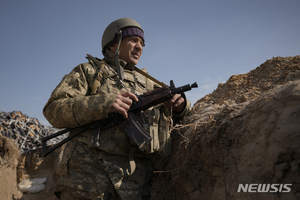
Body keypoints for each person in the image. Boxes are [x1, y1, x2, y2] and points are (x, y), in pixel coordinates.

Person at [43, 18, 191, 200]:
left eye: (142, 43)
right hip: (87, 182)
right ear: (113, 44)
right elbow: (53, 109)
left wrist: (180, 107)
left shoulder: (150, 83)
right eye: (133, 41)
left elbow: (173, 125)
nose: (139, 47)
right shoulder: (89, 72)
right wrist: (102, 104)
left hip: (136, 184)